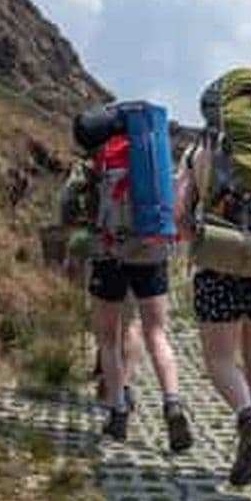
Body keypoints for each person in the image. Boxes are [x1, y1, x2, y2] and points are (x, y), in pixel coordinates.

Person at [61, 144, 193, 452]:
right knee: (156, 333)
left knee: (108, 338)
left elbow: (68, 201)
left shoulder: (98, 159)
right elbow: (175, 207)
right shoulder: (153, 156)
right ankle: (172, 403)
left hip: (108, 252)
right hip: (151, 253)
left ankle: (118, 410)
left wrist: (74, 245)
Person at [175, 136, 251, 485]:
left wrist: (197, 241)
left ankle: (250, 419)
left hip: (220, 259)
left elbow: (179, 213)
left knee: (219, 359)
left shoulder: (200, 150)